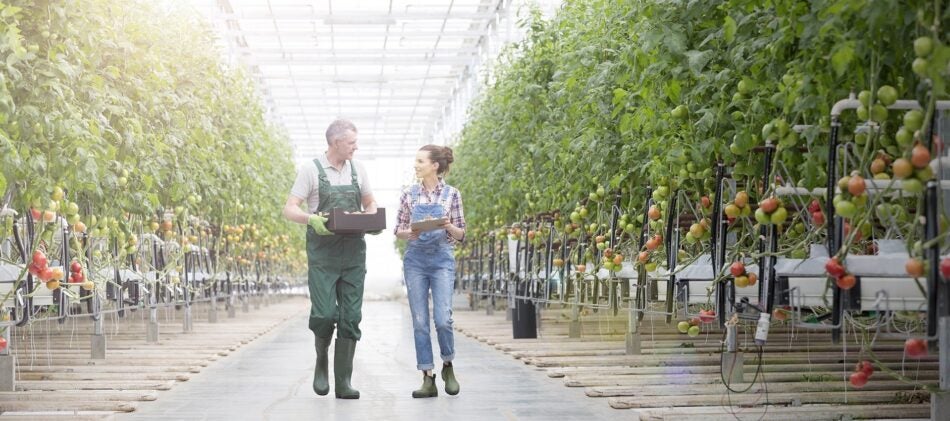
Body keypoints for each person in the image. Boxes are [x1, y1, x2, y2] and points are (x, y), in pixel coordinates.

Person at [283, 119, 378, 399]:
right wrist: (310, 219)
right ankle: (321, 359)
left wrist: (370, 216)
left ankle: (344, 382)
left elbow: (370, 201)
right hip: (323, 256)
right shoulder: (311, 170)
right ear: (335, 142)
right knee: (325, 315)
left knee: (351, 317)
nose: (356, 147)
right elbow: (289, 209)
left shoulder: (358, 170)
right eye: (351, 142)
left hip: (353, 256)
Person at [394, 144, 466, 398]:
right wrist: (410, 232)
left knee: (443, 320)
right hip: (415, 261)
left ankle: (448, 365)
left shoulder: (451, 194)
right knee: (421, 322)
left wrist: (447, 225)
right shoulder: (408, 195)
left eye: (420, 161)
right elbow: (399, 230)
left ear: (435, 165)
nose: (416, 165)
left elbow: (461, 234)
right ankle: (427, 376)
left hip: (441, 260)